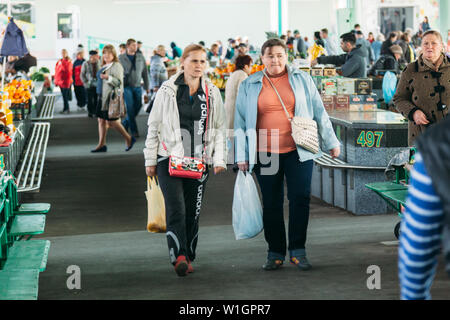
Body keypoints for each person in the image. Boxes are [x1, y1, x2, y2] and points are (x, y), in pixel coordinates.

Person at [234, 38, 340, 271]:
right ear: (262, 58)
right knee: (272, 203)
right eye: (270, 56)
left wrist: (332, 141)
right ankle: (275, 252)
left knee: (300, 198)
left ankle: (298, 250)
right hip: (265, 152)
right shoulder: (250, 84)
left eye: (280, 55)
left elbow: (319, 112)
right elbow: (240, 122)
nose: (275, 60)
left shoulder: (302, 79)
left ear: (286, 57)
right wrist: (240, 154)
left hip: (298, 150)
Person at [144, 44, 227, 277]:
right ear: (183, 63)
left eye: (202, 61)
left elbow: (219, 127)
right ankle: (178, 256)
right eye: (194, 61)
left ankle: (189, 254)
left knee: (193, 211)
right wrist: (150, 159)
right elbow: (154, 125)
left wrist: (219, 158)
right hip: (168, 158)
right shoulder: (167, 90)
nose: (198, 65)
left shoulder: (211, 92)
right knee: (176, 208)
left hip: (199, 161)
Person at [398, 116, 449, 300]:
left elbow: (418, 241)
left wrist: (414, 295)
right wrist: (414, 111)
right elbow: (399, 99)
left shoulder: (439, 144)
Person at [393, 30, 449, 146]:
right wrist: (413, 112)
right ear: (421, 47)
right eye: (425, 43)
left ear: (442, 46)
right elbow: (399, 98)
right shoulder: (411, 70)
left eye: (434, 43)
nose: (429, 47)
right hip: (421, 135)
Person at [92, 45, 135, 153]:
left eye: (109, 53)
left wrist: (108, 78)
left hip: (110, 98)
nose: (106, 55)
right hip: (101, 96)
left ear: (113, 54)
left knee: (113, 122)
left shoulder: (117, 66)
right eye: (105, 53)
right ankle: (101, 144)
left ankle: (129, 138)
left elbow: (119, 82)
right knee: (101, 120)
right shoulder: (104, 65)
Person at [119, 38, 150, 138]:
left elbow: (145, 73)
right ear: (128, 46)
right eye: (133, 45)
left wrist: (147, 86)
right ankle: (134, 131)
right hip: (126, 86)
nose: (135, 47)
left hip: (137, 86)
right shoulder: (120, 58)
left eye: (136, 45)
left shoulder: (140, 57)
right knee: (130, 108)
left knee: (138, 105)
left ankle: (125, 123)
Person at [224, 55, 252, 135]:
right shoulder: (243, 75)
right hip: (235, 111)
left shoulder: (233, 74)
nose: (251, 68)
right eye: (251, 65)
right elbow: (242, 95)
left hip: (228, 109)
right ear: (246, 66)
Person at [81, 50, 101, 118]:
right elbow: (82, 74)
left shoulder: (99, 62)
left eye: (96, 56)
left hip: (97, 84)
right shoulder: (85, 63)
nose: (95, 57)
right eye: (93, 56)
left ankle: (95, 112)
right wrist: (85, 83)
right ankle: (90, 112)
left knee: (96, 98)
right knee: (89, 99)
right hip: (89, 84)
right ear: (90, 56)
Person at [54, 49, 73, 114]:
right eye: (62, 53)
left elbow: (67, 71)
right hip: (60, 82)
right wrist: (56, 81)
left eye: (64, 53)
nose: (63, 54)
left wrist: (62, 64)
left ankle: (67, 109)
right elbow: (57, 71)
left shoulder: (68, 61)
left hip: (65, 82)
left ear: (67, 53)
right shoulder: (59, 61)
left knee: (65, 97)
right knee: (63, 96)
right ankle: (65, 108)